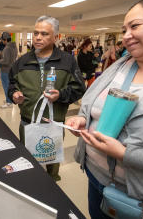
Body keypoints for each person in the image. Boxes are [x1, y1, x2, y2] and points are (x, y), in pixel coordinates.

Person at [66, 0, 143, 219]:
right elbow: (92, 103)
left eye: (135, 26)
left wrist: (127, 154)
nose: (125, 37)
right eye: (123, 30)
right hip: (97, 182)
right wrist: (83, 118)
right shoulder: (120, 66)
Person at [8, 16, 85, 181]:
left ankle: (52, 184)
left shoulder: (67, 61)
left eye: (44, 34)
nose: (38, 37)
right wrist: (14, 94)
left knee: (52, 161)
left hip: (53, 123)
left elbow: (79, 88)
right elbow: (11, 85)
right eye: (36, 33)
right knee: (28, 161)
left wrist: (61, 95)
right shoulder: (22, 62)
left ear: (56, 37)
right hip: (27, 122)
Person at [0, 32, 18, 108]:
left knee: (6, 86)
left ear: (5, 40)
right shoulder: (14, 47)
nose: (1, 42)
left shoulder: (7, 48)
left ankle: (9, 102)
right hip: (11, 69)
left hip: (5, 70)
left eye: (2, 40)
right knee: (9, 86)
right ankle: (9, 100)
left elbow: (5, 61)